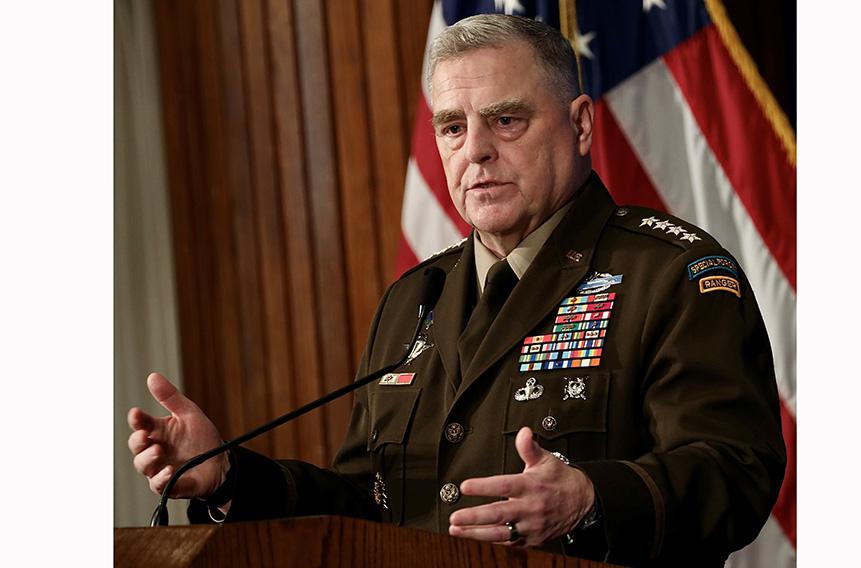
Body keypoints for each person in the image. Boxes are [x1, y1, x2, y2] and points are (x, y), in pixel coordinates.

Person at [128, 14, 785, 566]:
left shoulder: (669, 275)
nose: (476, 152)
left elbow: (737, 471)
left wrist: (590, 499)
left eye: (506, 121)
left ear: (581, 125)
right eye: (452, 127)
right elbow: (369, 507)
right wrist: (231, 477)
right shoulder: (414, 299)